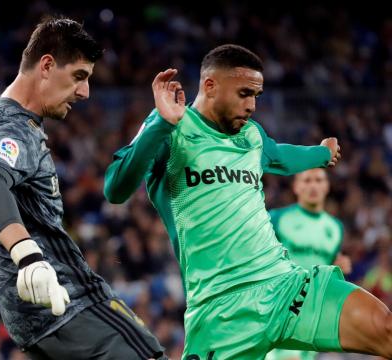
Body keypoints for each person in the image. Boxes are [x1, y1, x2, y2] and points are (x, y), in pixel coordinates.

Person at [103, 44, 392, 358]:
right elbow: (115, 188)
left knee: (384, 328)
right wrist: (162, 123)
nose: (252, 105)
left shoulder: (251, 136)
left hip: (284, 286)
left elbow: (281, 155)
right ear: (210, 86)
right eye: (244, 93)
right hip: (221, 312)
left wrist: (323, 154)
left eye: (256, 95)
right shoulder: (172, 128)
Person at [0, 16, 166, 360]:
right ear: (47, 66)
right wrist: (29, 256)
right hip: (73, 305)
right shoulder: (15, 128)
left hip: (32, 326)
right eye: (79, 77)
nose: (85, 92)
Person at [266, 168, 351, 360]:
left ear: (327, 186)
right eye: (307, 180)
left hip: (313, 315)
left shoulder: (335, 229)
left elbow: (326, 270)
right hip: (282, 310)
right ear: (296, 186)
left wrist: (337, 267)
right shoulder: (277, 218)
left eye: (319, 180)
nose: (313, 186)